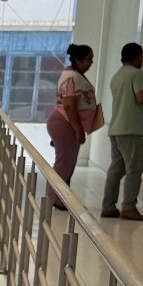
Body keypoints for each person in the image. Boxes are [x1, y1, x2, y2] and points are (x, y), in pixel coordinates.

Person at [102, 41, 143, 220]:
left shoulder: (117, 76)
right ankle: (129, 207)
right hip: (130, 129)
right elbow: (141, 98)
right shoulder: (138, 74)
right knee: (134, 169)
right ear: (138, 56)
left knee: (116, 168)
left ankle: (108, 206)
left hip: (116, 128)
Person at [48, 42, 100, 187]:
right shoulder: (72, 77)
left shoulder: (75, 75)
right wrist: (78, 130)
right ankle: (55, 196)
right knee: (64, 164)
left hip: (67, 123)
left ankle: (61, 196)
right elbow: (69, 105)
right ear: (78, 60)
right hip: (66, 122)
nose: (91, 62)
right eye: (88, 59)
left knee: (68, 163)